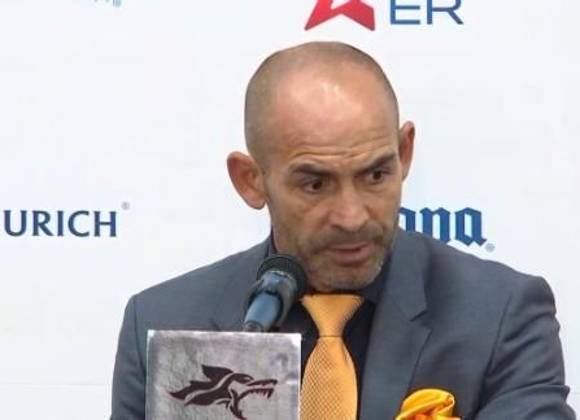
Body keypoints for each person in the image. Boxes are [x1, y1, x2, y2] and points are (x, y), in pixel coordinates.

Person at [111, 41, 575, 419]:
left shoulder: (499, 315)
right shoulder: (163, 323)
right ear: (250, 180)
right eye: (315, 184)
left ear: (404, 152)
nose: (352, 217)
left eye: (375, 175)